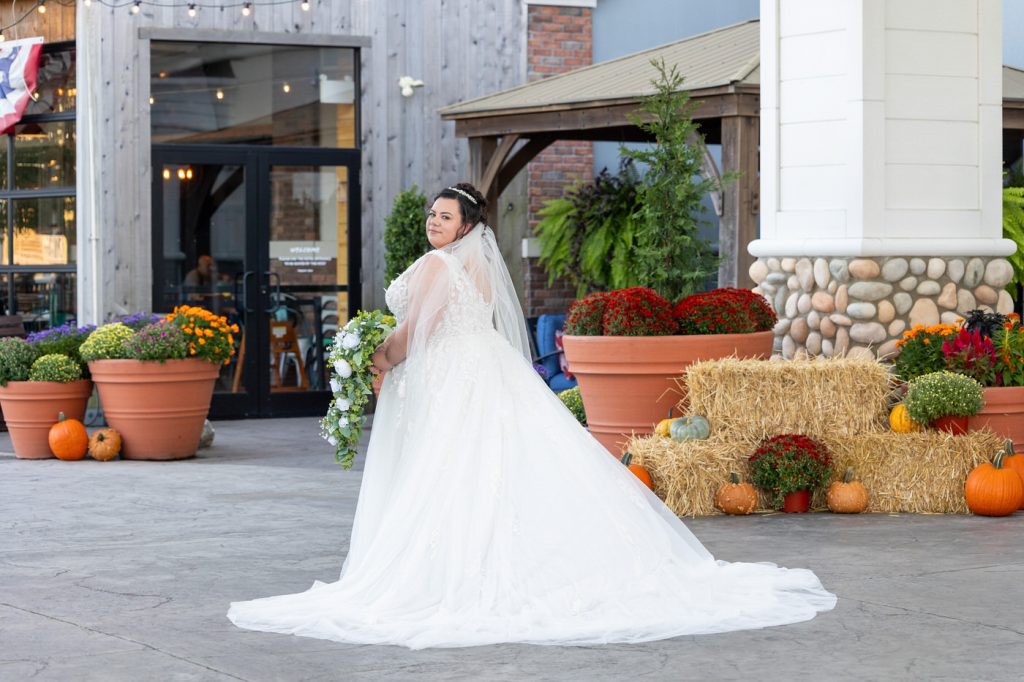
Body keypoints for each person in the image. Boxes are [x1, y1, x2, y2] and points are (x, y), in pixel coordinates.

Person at [227, 183, 836, 649]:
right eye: (430, 216)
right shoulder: (477, 267)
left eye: (444, 217)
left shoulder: (440, 266)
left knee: (451, 469)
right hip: (482, 369)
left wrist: (367, 357)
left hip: (450, 378)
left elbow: (417, 333)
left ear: (467, 225)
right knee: (499, 465)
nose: (432, 223)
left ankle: (456, 574)